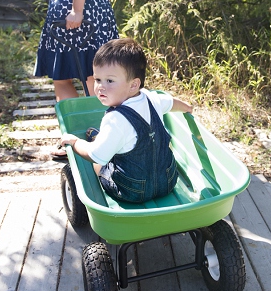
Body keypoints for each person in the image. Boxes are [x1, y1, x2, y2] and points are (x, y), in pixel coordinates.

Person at [59, 38, 193, 203]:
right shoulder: (152, 98)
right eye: (97, 79)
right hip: (168, 181)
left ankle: (97, 139)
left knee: (100, 164)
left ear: (133, 85)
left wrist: (75, 142)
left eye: (110, 81)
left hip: (131, 190)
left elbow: (96, 155)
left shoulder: (115, 120)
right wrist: (187, 107)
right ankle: (102, 138)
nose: (100, 86)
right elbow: (172, 103)